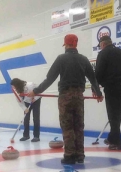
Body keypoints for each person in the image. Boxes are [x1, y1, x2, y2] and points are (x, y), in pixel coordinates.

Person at [28, 34, 103, 164]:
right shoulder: (84, 59)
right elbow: (93, 78)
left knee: (67, 126)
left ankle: (69, 155)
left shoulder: (61, 59)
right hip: (79, 96)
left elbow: (50, 78)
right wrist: (99, 93)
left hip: (65, 97)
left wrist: (36, 91)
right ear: (76, 44)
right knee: (79, 126)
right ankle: (80, 155)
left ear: (66, 45)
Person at [95, 35, 121, 150]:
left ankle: (117, 142)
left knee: (112, 116)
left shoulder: (102, 54)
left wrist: (96, 89)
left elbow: (98, 72)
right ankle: (112, 139)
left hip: (110, 88)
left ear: (103, 44)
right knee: (117, 115)